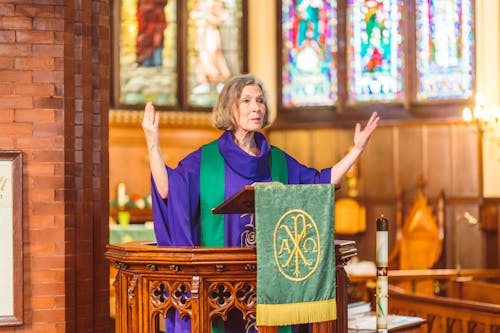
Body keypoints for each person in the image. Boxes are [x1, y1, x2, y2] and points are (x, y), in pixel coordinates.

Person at [142, 73, 379, 332]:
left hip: (272, 286)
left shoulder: (277, 161)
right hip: (220, 289)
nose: (256, 107)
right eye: (246, 101)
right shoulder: (206, 160)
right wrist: (153, 144)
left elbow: (320, 183)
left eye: (260, 100)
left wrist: (356, 151)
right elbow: (168, 191)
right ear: (229, 109)